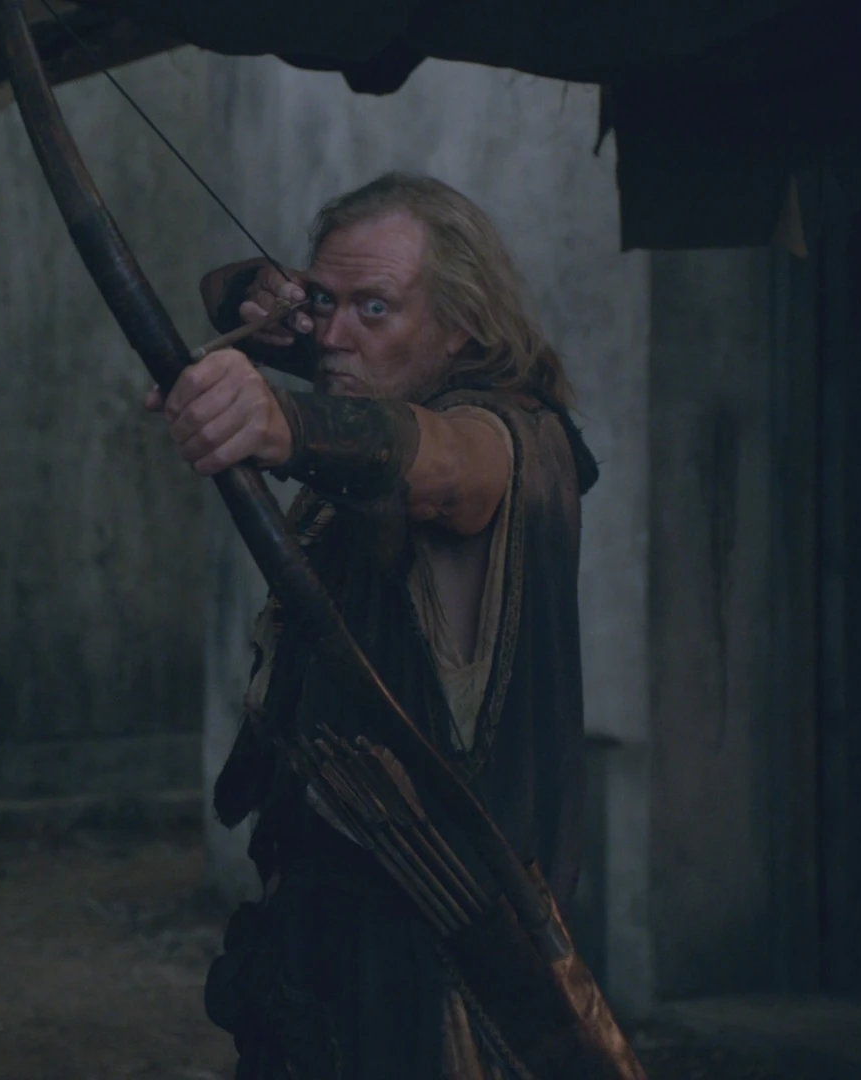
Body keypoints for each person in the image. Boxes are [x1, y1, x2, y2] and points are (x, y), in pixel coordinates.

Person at [143, 173, 598, 1078]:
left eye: (376, 308)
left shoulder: (516, 437)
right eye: (324, 302)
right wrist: (263, 297)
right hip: (314, 944)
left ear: (461, 325)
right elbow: (227, 294)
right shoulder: (361, 362)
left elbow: (440, 463)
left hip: (432, 974)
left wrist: (278, 420)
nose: (334, 335)